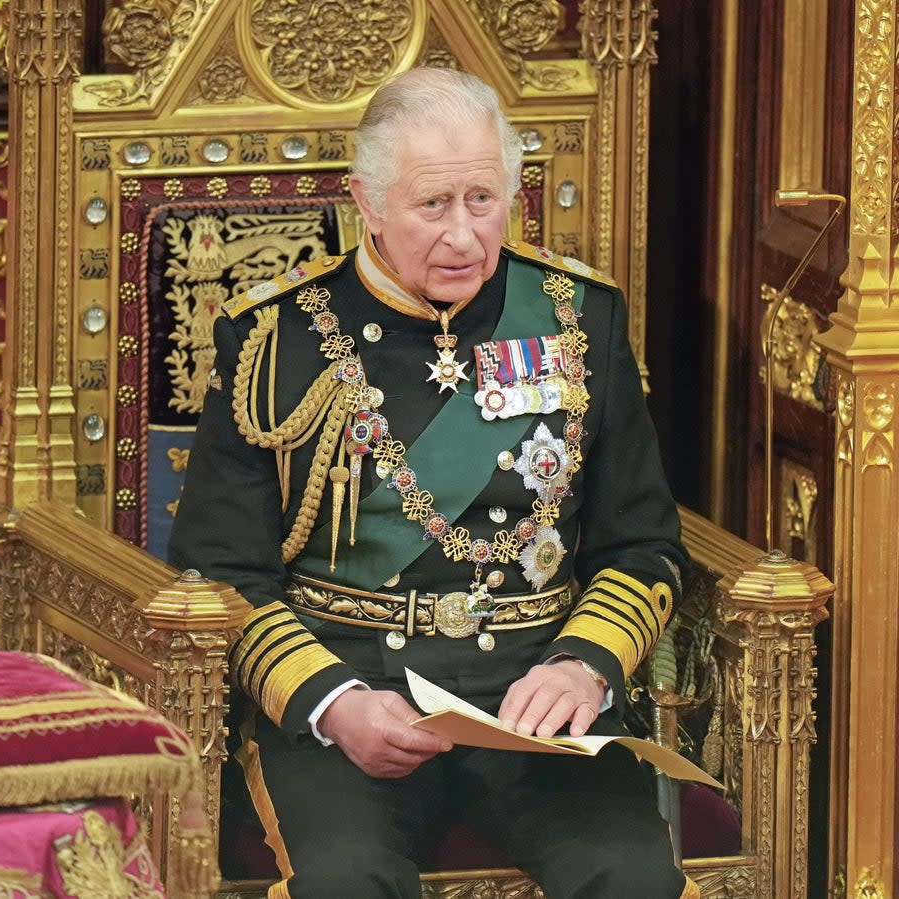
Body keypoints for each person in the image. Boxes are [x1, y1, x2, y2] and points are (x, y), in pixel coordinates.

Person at [169, 66, 696, 899]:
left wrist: (582, 667)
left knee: (632, 878)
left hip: (535, 703)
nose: (462, 237)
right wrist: (334, 702)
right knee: (344, 882)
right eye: (431, 206)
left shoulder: (578, 317)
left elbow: (642, 544)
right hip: (353, 698)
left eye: (483, 201)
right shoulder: (276, 338)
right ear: (366, 203)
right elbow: (219, 574)